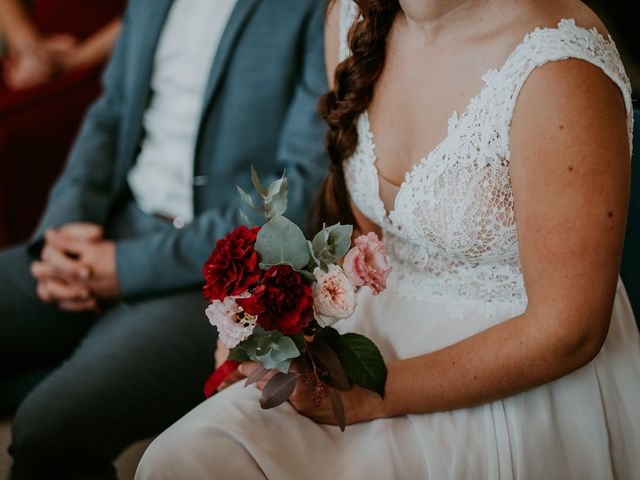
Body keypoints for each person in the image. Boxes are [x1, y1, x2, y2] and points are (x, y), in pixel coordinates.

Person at [136, 0, 640, 478]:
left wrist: (364, 395)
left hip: (513, 377)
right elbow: (372, 240)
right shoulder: (350, 16)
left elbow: (570, 331)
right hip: (376, 333)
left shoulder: (559, 64)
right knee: (184, 459)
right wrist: (277, 330)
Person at [0, 0, 327, 478]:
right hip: (112, 228)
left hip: (214, 275)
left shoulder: (316, 9)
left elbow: (295, 192)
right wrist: (63, 234)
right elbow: (109, 116)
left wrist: (126, 267)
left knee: (48, 430)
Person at [0, 0, 125, 246]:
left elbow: (146, 14)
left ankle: (27, 256)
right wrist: (29, 48)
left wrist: (75, 60)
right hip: (33, 54)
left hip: (104, 63)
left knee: (7, 139)